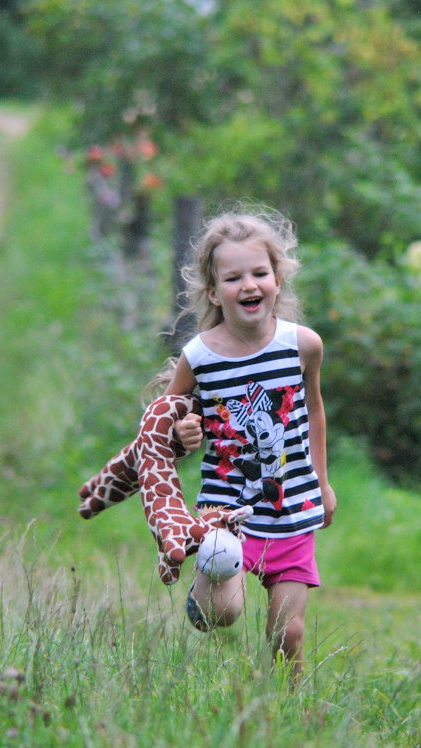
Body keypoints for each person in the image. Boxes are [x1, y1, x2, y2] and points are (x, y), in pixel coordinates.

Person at [161, 208, 337, 676]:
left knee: (288, 632)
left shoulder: (303, 345)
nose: (249, 285)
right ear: (214, 291)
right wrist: (184, 432)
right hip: (228, 511)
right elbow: (167, 420)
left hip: (293, 504)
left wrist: (323, 482)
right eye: (234, 277)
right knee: (225, 614)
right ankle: (205, 595)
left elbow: (314, 411)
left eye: (259, 273)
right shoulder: (199, 357)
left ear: (277, 279)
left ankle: (292, 715)